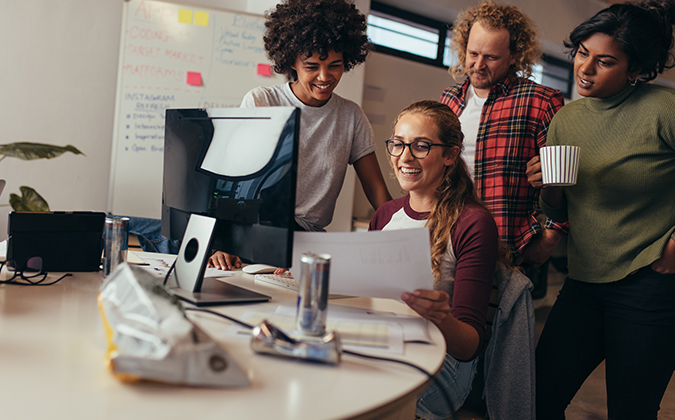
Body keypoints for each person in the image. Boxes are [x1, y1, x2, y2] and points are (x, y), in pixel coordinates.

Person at [527, 1, 675, 418]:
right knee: (537, 397)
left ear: (635, 68)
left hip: (649, 284)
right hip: (584, 279)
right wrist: (550, 189)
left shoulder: (663, 109)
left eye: (605, 61)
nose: (585, 69)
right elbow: (556, 211)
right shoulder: (566, 119)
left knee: (631, 410)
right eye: (582, 53)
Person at [208, 0, 391, 271]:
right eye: (311, 66)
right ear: (292, 59)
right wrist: (220, 240)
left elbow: (376, 189)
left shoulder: (351, 117)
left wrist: (398, 237)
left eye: (335, 65)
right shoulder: (262, 102)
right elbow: (232, 180)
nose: (325, 76)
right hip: (255, 235)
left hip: (309, 242)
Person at [369, 100, 500, 419]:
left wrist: (439, 316)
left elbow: (469, 346)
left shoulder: (472, 222)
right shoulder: (386, 214)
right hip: (385, 345)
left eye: (421, 146)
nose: (404, 157)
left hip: (443, 361)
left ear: (450, 155)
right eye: (398, 144)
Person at [439, 1, 567, 295]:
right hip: (450, 239)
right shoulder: (449, 99)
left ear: (515, 56)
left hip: (509, 247)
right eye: (472, 53)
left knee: (500, 337)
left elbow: (567, 176)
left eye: (491, 57)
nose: (478, 64)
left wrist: (552, 236)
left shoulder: (541, 101)